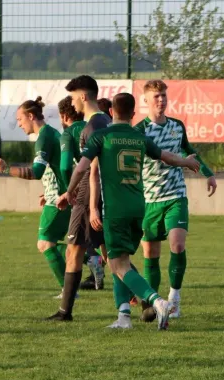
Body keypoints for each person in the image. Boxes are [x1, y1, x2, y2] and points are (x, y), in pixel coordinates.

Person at [56, 93, 201, 329]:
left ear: (111, 112)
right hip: (140, 207)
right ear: (134, 114)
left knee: (118, 264)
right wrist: (187, 162)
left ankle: (156, 301)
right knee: (121, 260)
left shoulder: (102, 136)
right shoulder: (139, 136)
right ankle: (123, 316)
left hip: (115, 210)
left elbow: (82, 168)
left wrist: (68, 191)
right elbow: (167, 157)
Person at [134, 79, 217, 321]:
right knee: (150, 253)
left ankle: (174, 298)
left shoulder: (176, 126)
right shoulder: (139, 131)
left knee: (177, 245)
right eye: (156, 96)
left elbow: (189, 151)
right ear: (146, 101)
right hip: (149, 200)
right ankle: (153, 301)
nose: (161, 100)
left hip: (175, 196)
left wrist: (208, 173)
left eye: (163, 96)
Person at [46, 75, 112, 321]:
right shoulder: (106, 120)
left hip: (86, 195)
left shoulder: (91, 126)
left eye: (74, 98)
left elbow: (87, 167)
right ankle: (145, 301)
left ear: (83, 96)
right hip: (99, 194)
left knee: (75, 251)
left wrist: (71, 192)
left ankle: (65, 312)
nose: (72, 104)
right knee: (110, 254)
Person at [0, 97, 70, 297]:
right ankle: (87, 258)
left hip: (59, 200)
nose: (19, 124)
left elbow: (36, 171)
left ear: (30, 116)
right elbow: (56, 168)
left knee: (45, 243)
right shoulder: (51, 134)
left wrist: (6, 169)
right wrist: (48, 190)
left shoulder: (44, 137)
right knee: (50, 243)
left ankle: (71, 287)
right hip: (58, 195)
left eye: (20, 119)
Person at [58, 95, 103, 291]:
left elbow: (66, 167)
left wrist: (68, 190)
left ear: (63, 115)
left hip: (83, 191)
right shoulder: (94, 125)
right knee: (109, 250)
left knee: (60, 244)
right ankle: (141, 300)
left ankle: (66, 304)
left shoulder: (69, 133)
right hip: (104, 189)